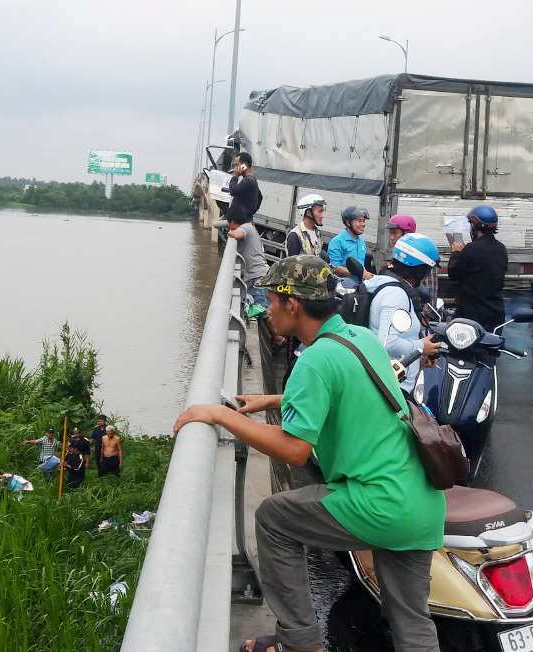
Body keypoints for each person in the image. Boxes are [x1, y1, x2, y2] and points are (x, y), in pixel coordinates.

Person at [173, 255, 444, 652]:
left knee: (273, 518)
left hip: (378, 503)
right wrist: (273, 399)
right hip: (420, 502)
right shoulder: (359, 338)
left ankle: (301, 642)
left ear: (292, 304)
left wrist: (220, 416)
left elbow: (295, 449)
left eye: (270, 301)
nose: (266, 311)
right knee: (412, 621)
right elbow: (346, 389)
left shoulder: (313, 359)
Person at [364, 233, 442, 391]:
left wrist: (417, 357)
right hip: (392, 389)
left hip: (390, 379)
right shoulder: (396, 295)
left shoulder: (384, 282)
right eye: (428, 269)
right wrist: (421, 346)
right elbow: (387, 343)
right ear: (420, 269)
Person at [447, 205, 508, 332]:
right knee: (492, 348)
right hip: (496, 313)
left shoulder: (471, 248)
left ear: (475, 226)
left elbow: (453, 274)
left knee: (463, 350)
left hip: (472, 314)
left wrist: (456, 253)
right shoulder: (501, 248)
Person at [228, 211, 271, 316]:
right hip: (260, 275)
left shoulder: (246, 227)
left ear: (233, 221)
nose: (229, 226)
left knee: (262, 313)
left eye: (229, 224)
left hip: (256, 278)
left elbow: (236, 234)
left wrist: (230, 233)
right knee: (264, 314)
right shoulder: (250, 227)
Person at [328, 206, 375, 286]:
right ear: (348, 223)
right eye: (359, 221)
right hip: (344, 286)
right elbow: (334, 268)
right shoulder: (337, 242)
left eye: (363, 221)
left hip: (359, 284)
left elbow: (360, 264)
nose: (363, 224)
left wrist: (366, 273)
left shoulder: (361, 241)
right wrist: (359, 273)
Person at [227, 152, 262, 223]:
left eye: (237, 165)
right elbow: (260, 197)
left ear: (244, 165)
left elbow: (233, 191)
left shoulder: (248, 180)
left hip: (242, 224)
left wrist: (235, 176)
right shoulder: (249, 179)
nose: (235, 168)